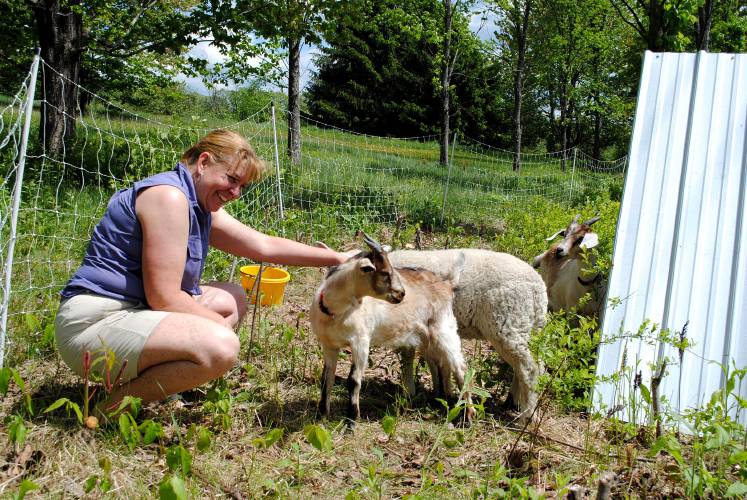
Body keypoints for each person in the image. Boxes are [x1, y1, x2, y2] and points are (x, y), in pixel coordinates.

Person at [54, 129, 349, 413]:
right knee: (220, 347)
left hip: (132, 311)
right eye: (231, 179)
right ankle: (109, 410)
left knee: (231, 297)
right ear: (204, 162)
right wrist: (219, 333)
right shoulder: (169, 198)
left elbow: (263, 245)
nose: (235, 193)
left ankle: (156, 387)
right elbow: (165, 298)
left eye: (242, 187)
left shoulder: (195, 202)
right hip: (93, 326)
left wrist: (337, 257)